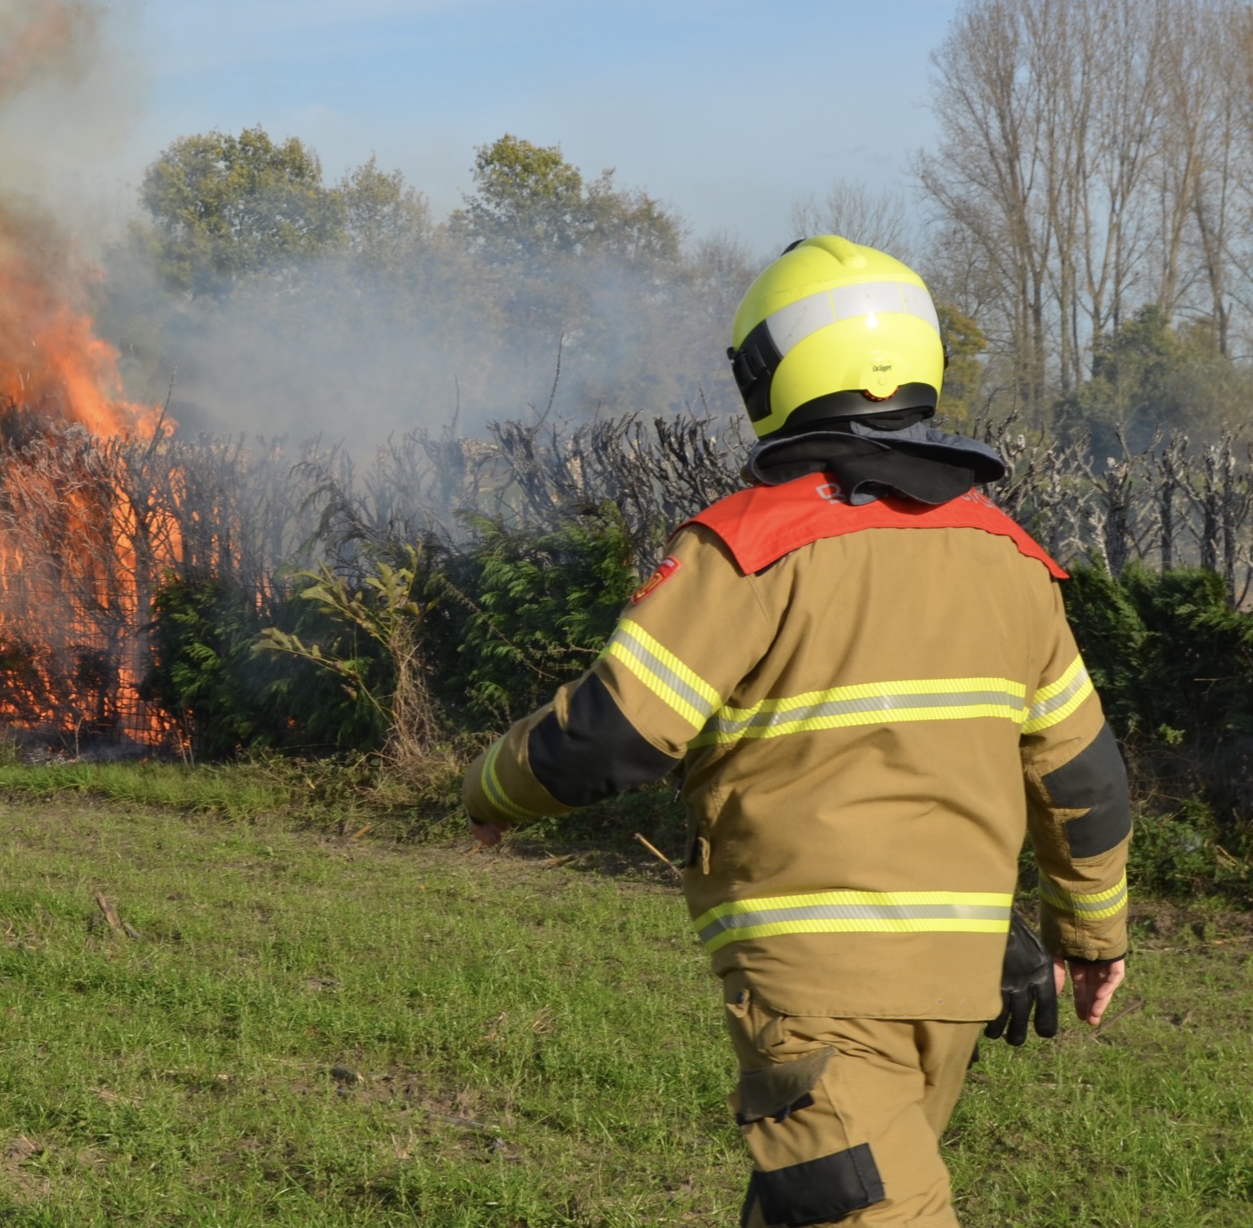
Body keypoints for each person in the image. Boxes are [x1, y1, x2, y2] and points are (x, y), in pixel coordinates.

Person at [463, 236, 1130, 1227]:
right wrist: (1092, 932)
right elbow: (1086, 780)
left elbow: (609, 736)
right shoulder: (1012, 559)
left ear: (768, 374)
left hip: (815, 990)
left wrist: (489, 787)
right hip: (957, 987)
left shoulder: (749, 547)